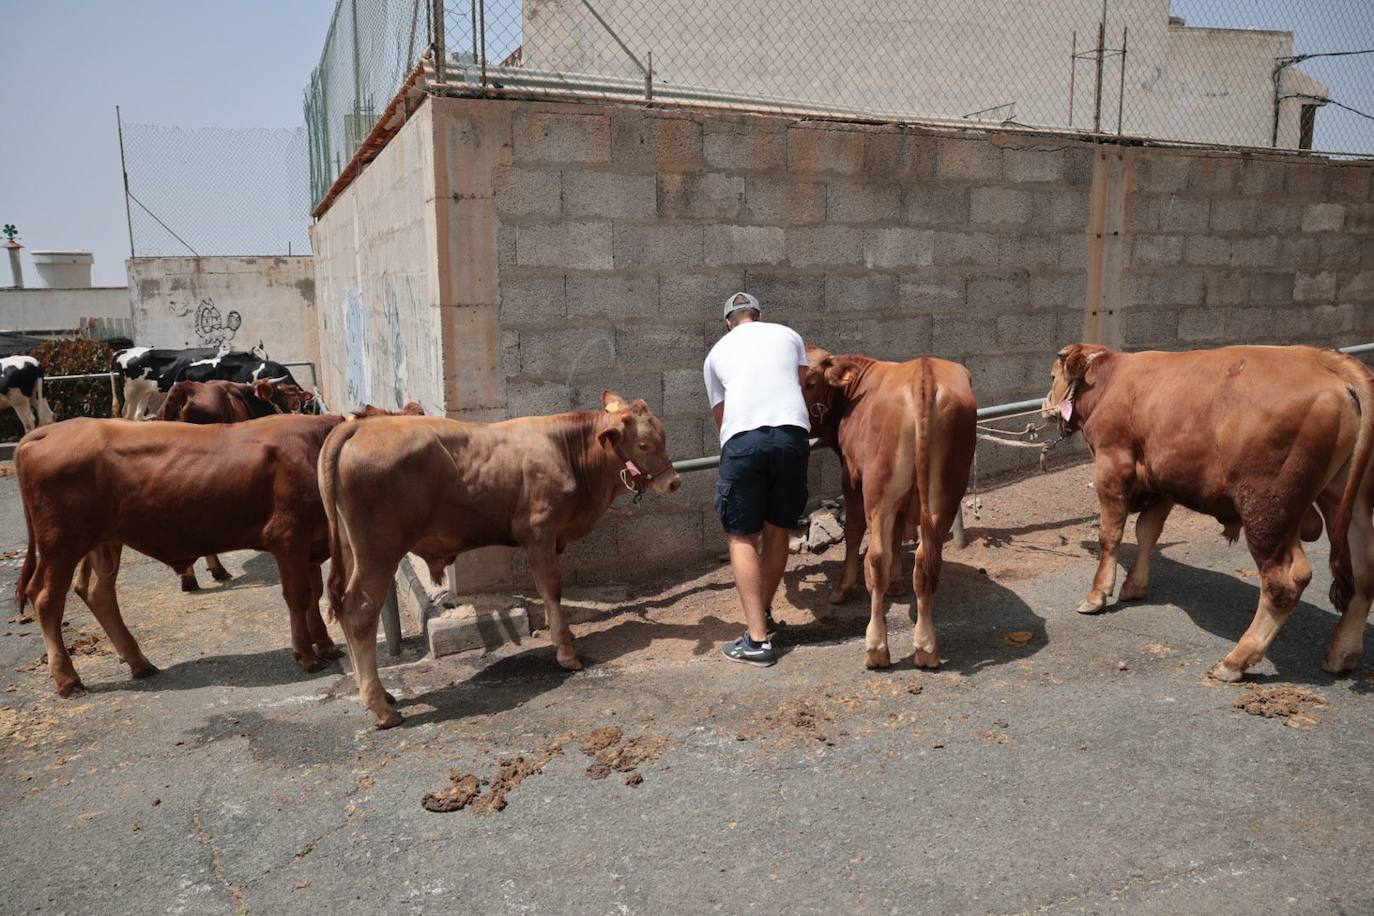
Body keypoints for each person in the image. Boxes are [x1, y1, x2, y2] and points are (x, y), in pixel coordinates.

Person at [703, 291, 811, 666]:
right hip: (793, 435)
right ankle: (761, 613)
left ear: (728, 322)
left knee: (741, 535)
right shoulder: (789, 335)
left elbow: (721, 413)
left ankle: (757, 641)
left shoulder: (716, 352)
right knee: (778, 528)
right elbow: (800, 382)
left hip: (744, 440)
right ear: (759, 316)